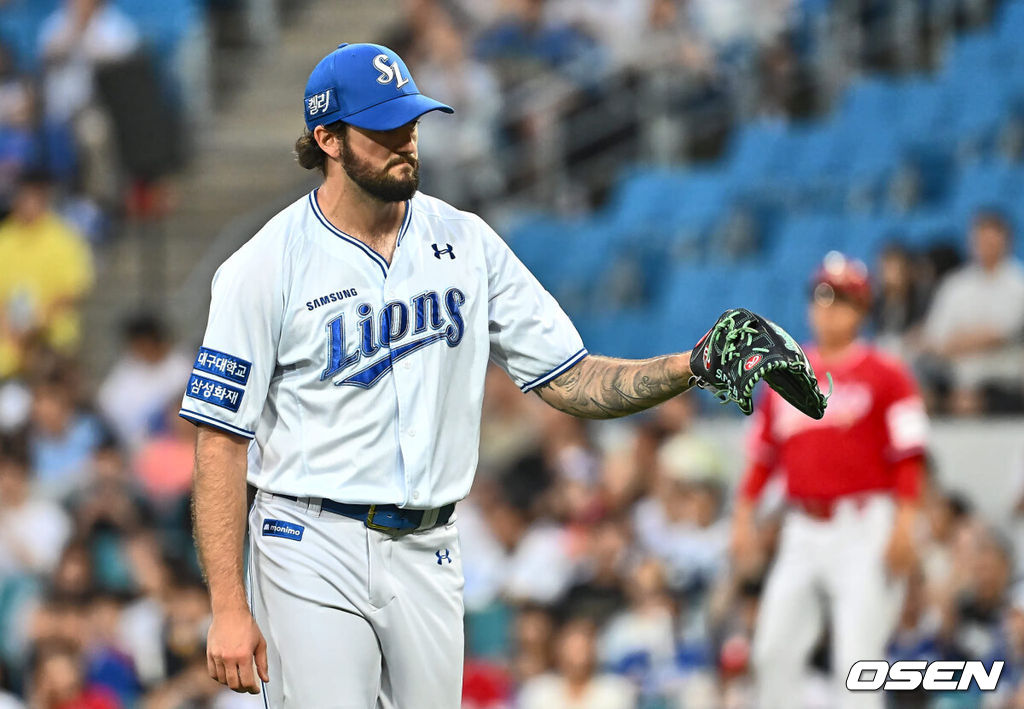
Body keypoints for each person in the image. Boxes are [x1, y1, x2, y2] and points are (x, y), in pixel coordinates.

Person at [179, 42, 803, 708]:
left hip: (431, 545)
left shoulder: (466, 242)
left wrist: (693, 362)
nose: (405, 143)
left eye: (410, 125)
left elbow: (572, 376)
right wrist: (228, 603)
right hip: (310, 542)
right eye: (384, 130)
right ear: (328, 138)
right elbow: (220, 440)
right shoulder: (263, 266)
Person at [730, 252, 929, 709]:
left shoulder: (888, 374)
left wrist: (905, 522)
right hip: (801, 528)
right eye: (821, 296)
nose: (828, 306)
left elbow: (909, 456)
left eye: (840, 298)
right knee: (773, 651)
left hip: (863, 525)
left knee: (856, 662)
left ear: (862, 308)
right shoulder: (780, 376)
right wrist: (742, 517)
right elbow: (762, 459)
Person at [920, 209, 1024, 414]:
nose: (986, 247)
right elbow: (934, 335)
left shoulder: (1017, 285)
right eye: (981, 240)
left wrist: (955, 342)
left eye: (992, 241)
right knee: (920, 390)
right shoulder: (955, 284)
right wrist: (961, 342)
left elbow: (998, 335)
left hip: (999, 379)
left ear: (1007, 242)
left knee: (974, 399)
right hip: (952, 375)